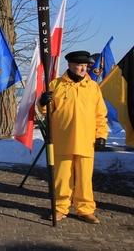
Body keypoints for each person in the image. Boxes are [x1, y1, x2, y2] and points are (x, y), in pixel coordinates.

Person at [38, 50, 108, 224]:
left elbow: (100, 114)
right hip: (63, 139)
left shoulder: (92, 87)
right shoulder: (56, 85)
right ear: (70, 65)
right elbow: (47, 111)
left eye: (85, 66)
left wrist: (101, 135)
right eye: (79, 65)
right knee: (62, 177)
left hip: (86, 140)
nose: (83, 68)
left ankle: (85, 209)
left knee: (84, 178)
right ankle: (60, 208)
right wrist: (42, 101)